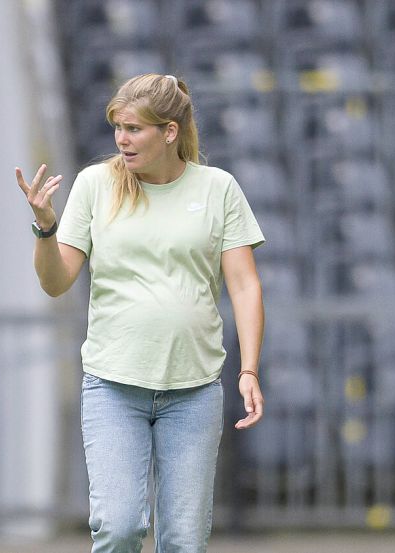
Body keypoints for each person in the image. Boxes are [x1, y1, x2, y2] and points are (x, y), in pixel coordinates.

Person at [15, 73, 265, 552]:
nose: (121, 139)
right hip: (113, 386)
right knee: (119, 526)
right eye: (117, 127)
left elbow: (245, 284)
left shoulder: (218, 189)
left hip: (193, 392)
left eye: (133, 129)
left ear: (169, 132)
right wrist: (45, 229)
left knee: (185, 541)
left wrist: (249, 368)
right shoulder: (95, 185)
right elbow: (55, 282)